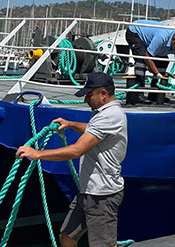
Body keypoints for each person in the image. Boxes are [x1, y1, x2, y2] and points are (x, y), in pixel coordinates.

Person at [16, 72, 127, 247]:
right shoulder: (103, 113)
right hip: (88, 191)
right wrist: (70, 124)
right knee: (67, 238)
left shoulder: (109, 115)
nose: (86, 101)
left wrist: (38, 154)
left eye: (89, 95)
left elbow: (77, 150)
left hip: (102, 195)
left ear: (103, 94)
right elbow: (92, 129)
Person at [125, 20, 175, 103]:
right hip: (135, 33)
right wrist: (157, 74)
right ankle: (138, 94)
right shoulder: (162, 37)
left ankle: (155, 95)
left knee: (163, 62)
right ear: (173, 39)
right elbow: (147, 57)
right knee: (141, 60)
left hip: (150, 39)